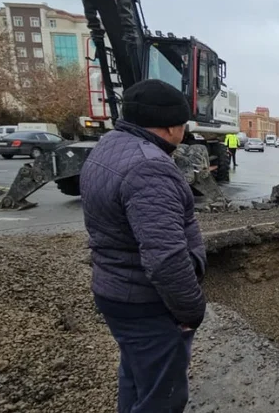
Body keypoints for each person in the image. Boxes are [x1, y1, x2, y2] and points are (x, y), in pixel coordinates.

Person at [80, 79, 207, 412]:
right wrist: (192, 311)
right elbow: (165, 258)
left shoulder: (110, 145)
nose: (185, 130)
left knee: (138, 377)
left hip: (117, 290)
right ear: (169, 126)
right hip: (145, 301)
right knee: (162, 396)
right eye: (183, 123)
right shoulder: (149, 167)